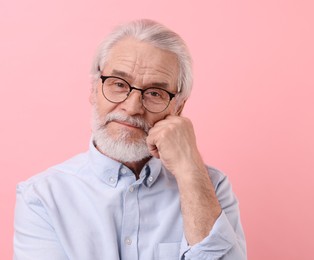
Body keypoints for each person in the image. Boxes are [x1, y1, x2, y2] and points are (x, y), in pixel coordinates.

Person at [13, 19, 246, 260]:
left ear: (178, 107)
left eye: (155, 93)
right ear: (94, 90)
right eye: (118, 84)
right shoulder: (41, 197)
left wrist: (189, 171)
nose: (132, 107)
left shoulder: (212, 187)